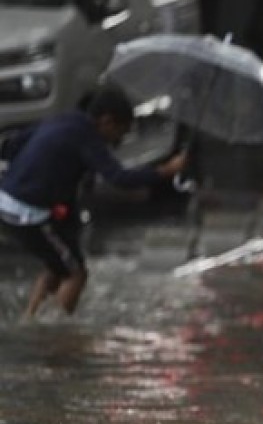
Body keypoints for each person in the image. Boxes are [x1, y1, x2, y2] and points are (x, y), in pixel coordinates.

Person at [0, 86, 186, 320]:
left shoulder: (65, 119)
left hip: (6, 200)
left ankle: (30, 320)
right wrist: (166, 170)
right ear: (107, 121)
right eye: (121, 132)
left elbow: (11, 146)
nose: (119, 141)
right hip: (27, 212)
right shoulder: (87, 135)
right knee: (76, 274)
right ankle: (50, 332)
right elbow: (119, 178)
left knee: (59, 264)